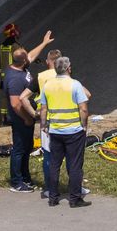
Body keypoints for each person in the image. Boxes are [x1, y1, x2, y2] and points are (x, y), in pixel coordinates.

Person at [38, 56, 90, 208]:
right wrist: (84, 125)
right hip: (74, 130)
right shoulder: (74, 84)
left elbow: (43, 109)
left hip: (55, 131)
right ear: (69, 68)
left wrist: (43, 125)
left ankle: (53, 198)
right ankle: (75, 199)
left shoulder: (48, 85)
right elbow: (84, 108)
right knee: (74, 165)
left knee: (54, 164)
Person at [5, 31, 54, 192]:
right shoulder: (14, 78)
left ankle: (25, 178)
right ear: (22, 61)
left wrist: (44, 43)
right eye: (27, 58)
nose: (30, 59)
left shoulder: (20, 68)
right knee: (19, 149)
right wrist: (27, 118)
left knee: (27, 147)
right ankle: (16, 182)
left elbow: (31, 55)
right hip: (20, 120)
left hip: (26, 118)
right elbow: (15, 103)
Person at [35, 49, 62, 198]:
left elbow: (23, 96)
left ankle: (50, 187)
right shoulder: (65, 74)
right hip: (65, 121)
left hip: (46, 121)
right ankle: (75, 187)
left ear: (47, 62)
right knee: (70, 155)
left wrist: (34, 112)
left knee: (48, 155)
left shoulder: (41, 77)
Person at [0, 23, 24, 123]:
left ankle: (3, 117)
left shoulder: (1, 46)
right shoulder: (15, 46)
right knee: (16, 94)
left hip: (4, 76)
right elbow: (21, 57)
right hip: (14, 75)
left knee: (5, 96)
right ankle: (16, 115)